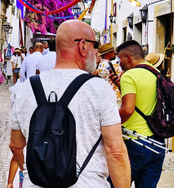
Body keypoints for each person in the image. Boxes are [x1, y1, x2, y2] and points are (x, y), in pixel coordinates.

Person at [10, 20, 130, 187]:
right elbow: (115, 151)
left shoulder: (26, 88)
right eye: (94, 45)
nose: (96, 51)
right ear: (82, 46)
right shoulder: (99, 89)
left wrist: (32, 171)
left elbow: (16, 145)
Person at [109, 40, 165, 188]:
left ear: (128, 57)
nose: (118, 63)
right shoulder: (156, 72)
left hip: (134, 142)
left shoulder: (129, 75)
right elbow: (142, 102)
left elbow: (128, 110)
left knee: (116, 184)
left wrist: (110, 124)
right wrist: (121, 88)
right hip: (157, 144)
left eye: (119, 58)